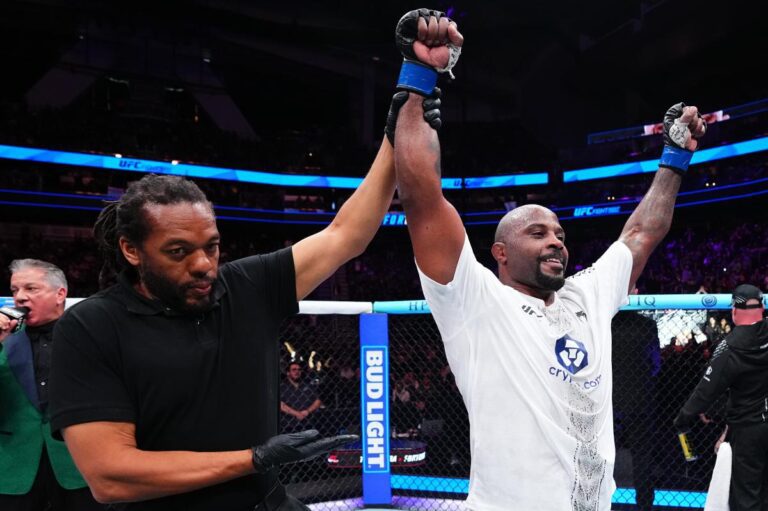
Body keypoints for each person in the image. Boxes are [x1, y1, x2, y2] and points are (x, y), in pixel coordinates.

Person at [48, 90, 443, 509]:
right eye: (178, 252)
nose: (203, 265)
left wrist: (394, 136)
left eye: (212, 246)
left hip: (266, 502)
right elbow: (110, 476)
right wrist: (252, 459)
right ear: (132, 250)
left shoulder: (245, 285)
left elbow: (345, 235)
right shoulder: (91, 326)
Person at [390, 8, 706, 510]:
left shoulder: (586, 294)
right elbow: (422, 197)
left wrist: (674, 157)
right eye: (537, 234)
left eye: (559, 234)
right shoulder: (475, 301)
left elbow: (641, 233)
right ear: (500, 253)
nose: (556, 241)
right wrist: (418, 76)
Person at [0, 259, 104, 511]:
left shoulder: (91, 337)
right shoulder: (4, 340)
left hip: (79, 467)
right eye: (15, 290)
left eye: (31, 288)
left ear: (60, 294)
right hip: (14, 469)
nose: (20, 297)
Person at [674, 284, 768, 511]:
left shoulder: (729, 347)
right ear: (762, 309)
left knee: (746, 496)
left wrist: (682, 418)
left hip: (748, 430)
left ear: (734, 311)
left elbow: (705, 390)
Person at [280, 361, 322, 433]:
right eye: (294, 370)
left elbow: (318, 401)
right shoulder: (282, 387)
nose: (297, 372)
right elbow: (280, 405)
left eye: (299, 369)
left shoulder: (308, 385)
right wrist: (297, 414)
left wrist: (307, 411)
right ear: (288, 373)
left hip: (308, 424)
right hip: (288, 425)